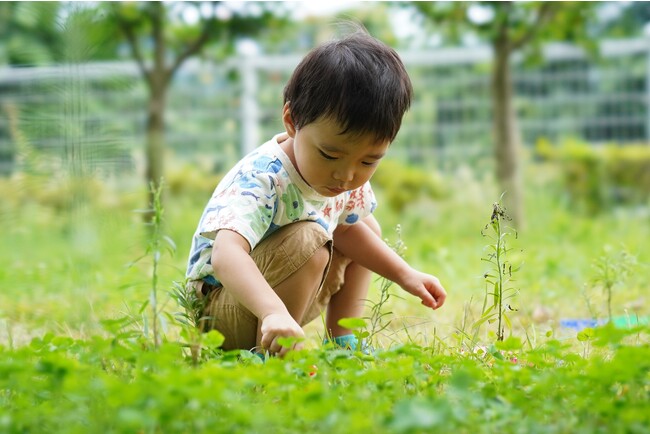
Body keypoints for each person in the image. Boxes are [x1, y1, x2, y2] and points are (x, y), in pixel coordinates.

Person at [186, 29, 447, 357]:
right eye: (329, 155)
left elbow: (348, 232)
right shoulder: (262, 179)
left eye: (368, 161)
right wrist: (272, 311)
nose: (346, 175)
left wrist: (405, 274)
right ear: (291, 120)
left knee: (365, 226)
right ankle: (270, 359)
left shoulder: (341, 177)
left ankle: (343, 343)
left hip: (281, 301)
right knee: (308, 240)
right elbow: (226, 255)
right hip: (224, 310)